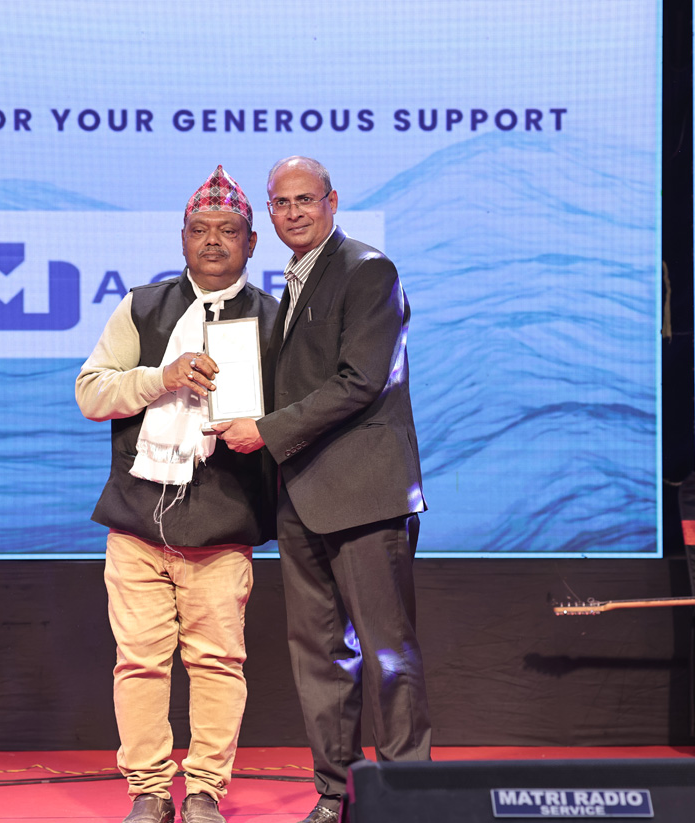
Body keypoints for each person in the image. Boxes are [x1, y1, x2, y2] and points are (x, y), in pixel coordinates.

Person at [214, 156, 431, 823]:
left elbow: (360, 381)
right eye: (281, 203)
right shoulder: (293, 281)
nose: (294, 212)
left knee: (388, 652)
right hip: (301, 497)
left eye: (306, 199)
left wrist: (264, 430)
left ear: (333, 202)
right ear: (269, 213)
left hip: (365, 496)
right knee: (320, 658)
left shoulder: (368, 270)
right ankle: (336, 794)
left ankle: (405, 797)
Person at [76, 165, 279, 823]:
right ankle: (149, 791)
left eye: (228, 230)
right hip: (137, 521)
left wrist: (260, 426)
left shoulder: (276, 320)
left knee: (218, 662)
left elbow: (300, 415)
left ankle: (205, 791)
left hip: (223, 520)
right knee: (138, 662)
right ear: (182, 238)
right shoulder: (142, 307)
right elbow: (91, 393)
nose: (212, 241)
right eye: (200, 229)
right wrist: (159, 378)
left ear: (252, 242)